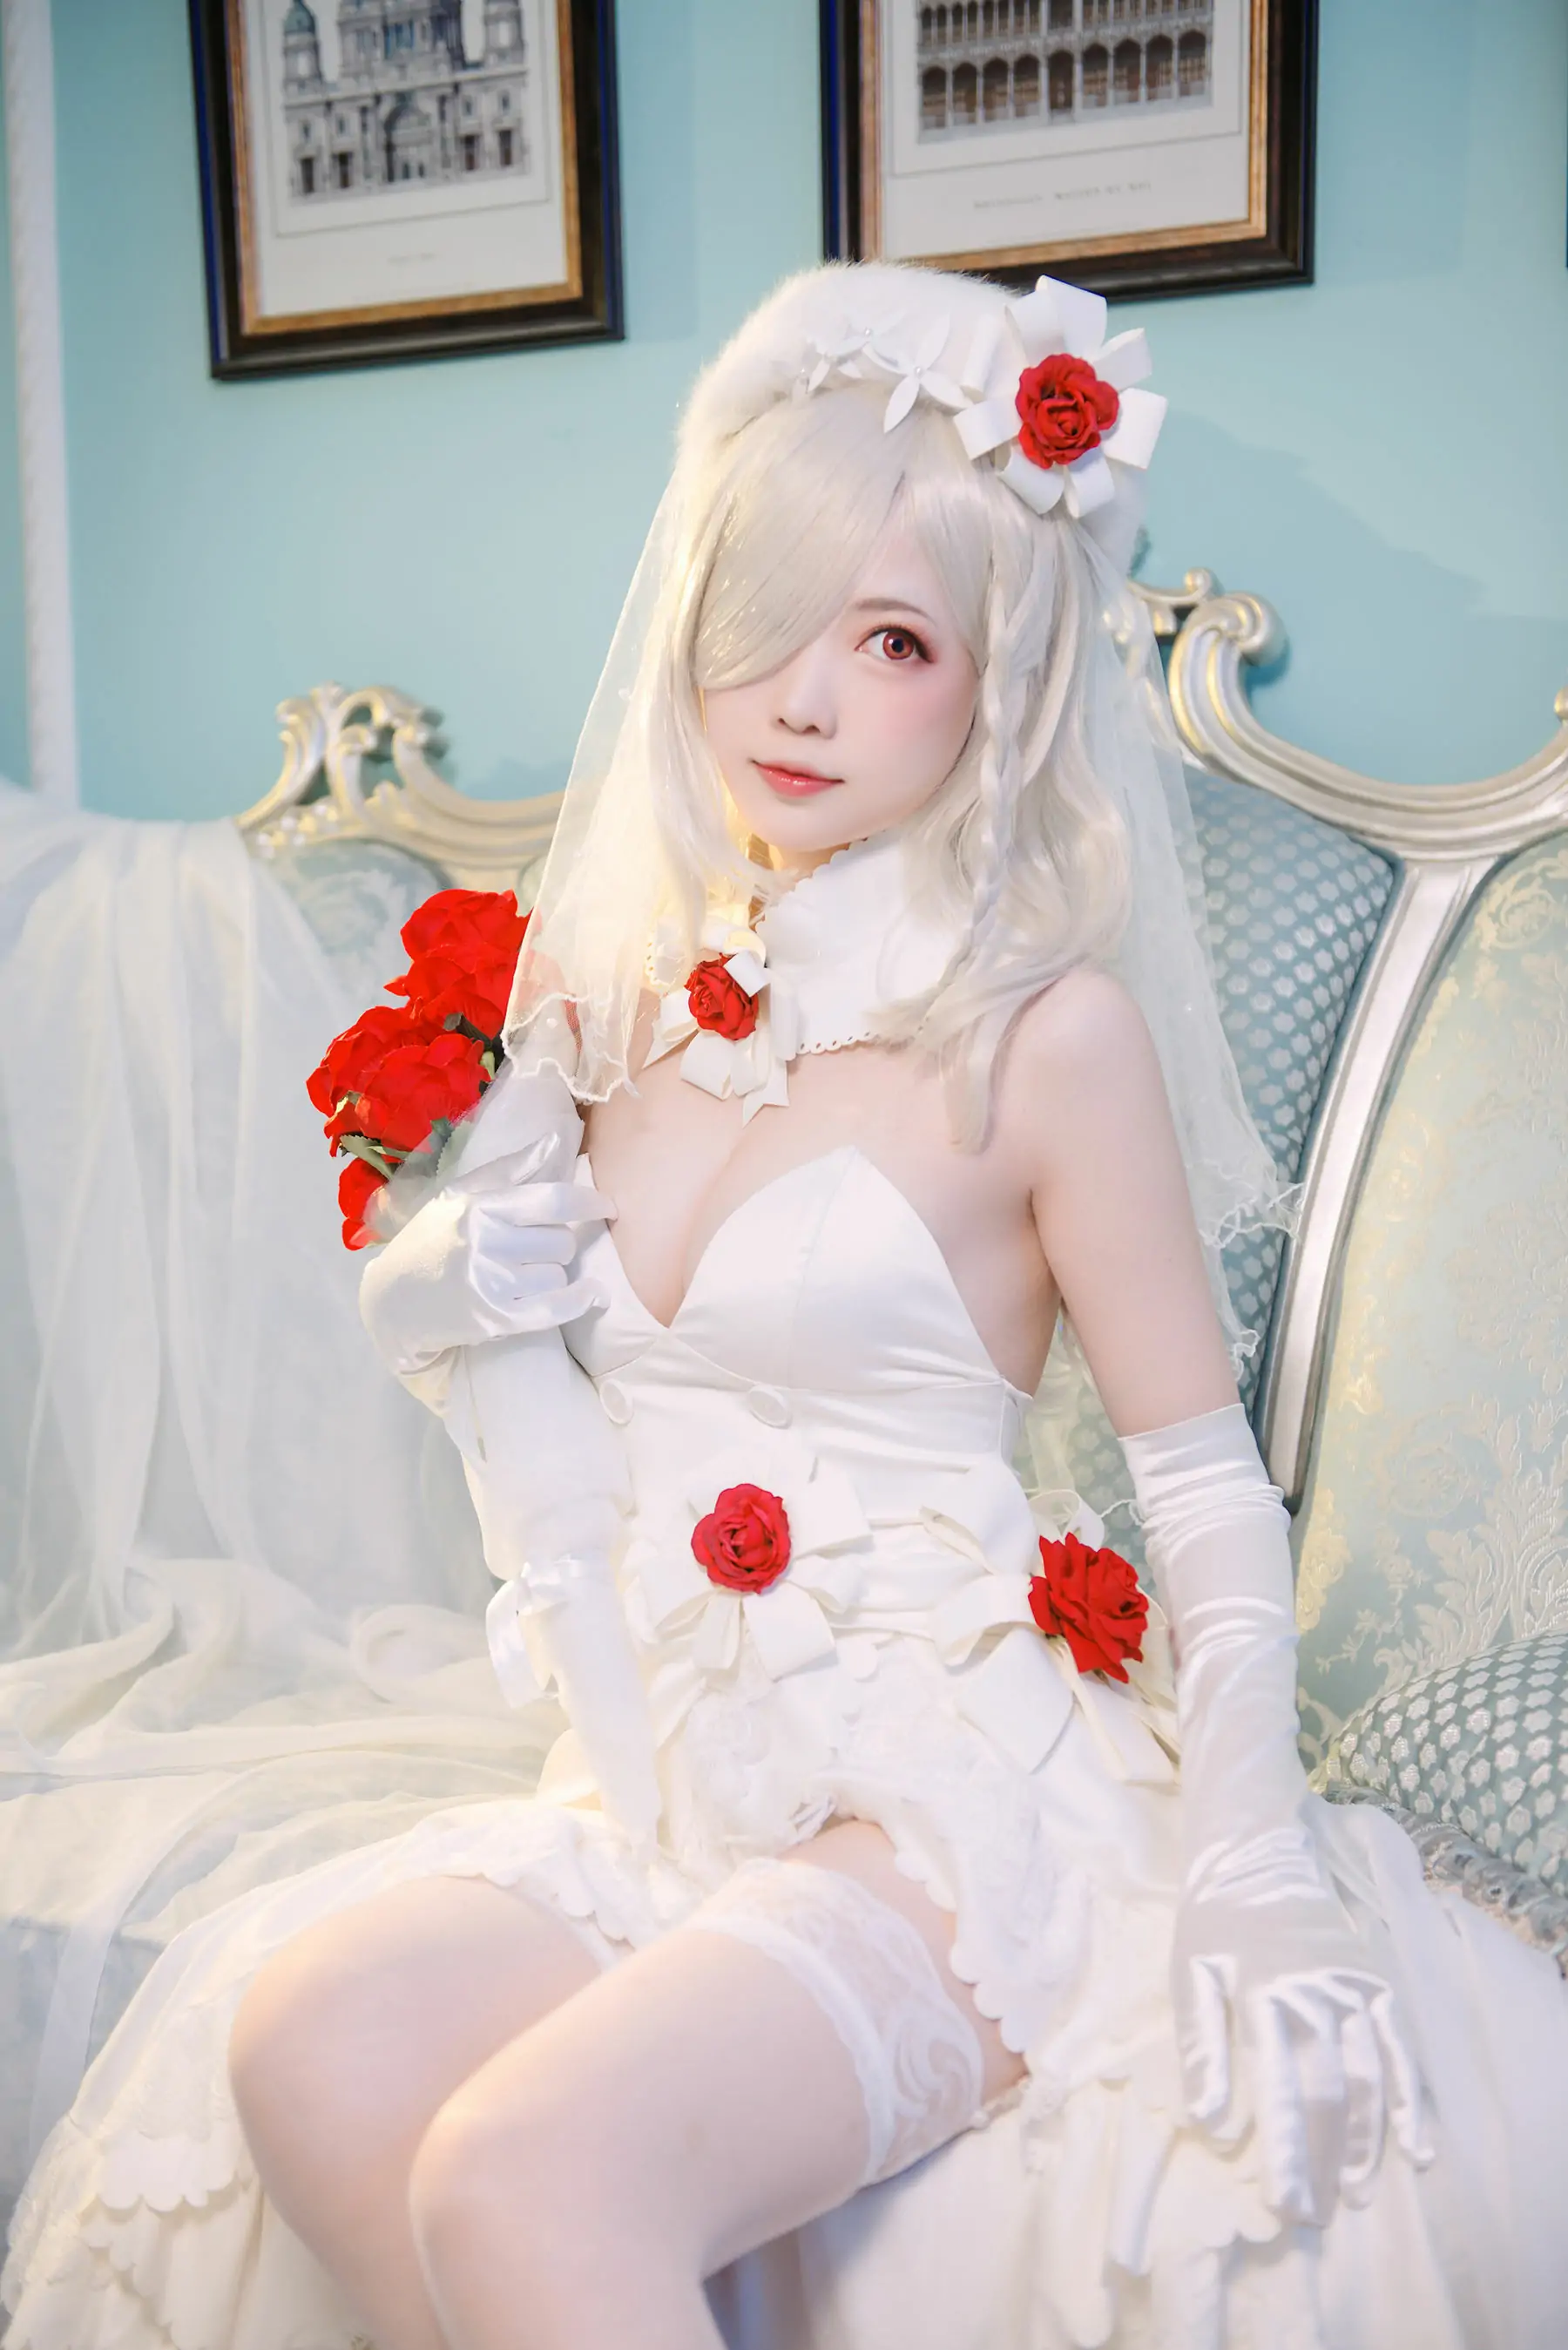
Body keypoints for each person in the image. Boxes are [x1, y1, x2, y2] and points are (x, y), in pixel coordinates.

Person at [4, 263, 1566, 2350]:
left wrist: (1252, 1853)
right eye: (765, 617)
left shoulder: (1047, 1039)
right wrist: (446, 1286)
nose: (803, 699)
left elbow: (1205, 1491)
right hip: (672, 1768)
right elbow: (523, 1415)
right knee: (308, 2044)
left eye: (894, 640)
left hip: (955, 1778)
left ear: (999, 686)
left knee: (521, 2167)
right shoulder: (613, 1005)